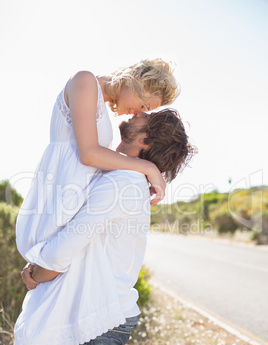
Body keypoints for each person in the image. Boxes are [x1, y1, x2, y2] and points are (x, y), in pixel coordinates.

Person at [17, 108, 196, 345]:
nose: (140, 110)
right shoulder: (119, 176)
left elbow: (67, 246)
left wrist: (36, 273)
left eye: (146, 117)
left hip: (98, 322)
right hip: (93, 316)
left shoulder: (122, 182)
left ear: (145, 140)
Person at [16, 58, 179, 263]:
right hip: (52, 208)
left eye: (146, 110)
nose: (140, 112)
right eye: (144, 104)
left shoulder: (97, 99)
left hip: (67, 209)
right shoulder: (85, 81)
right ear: (138, 81)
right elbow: (89, 154)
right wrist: (148, 167)